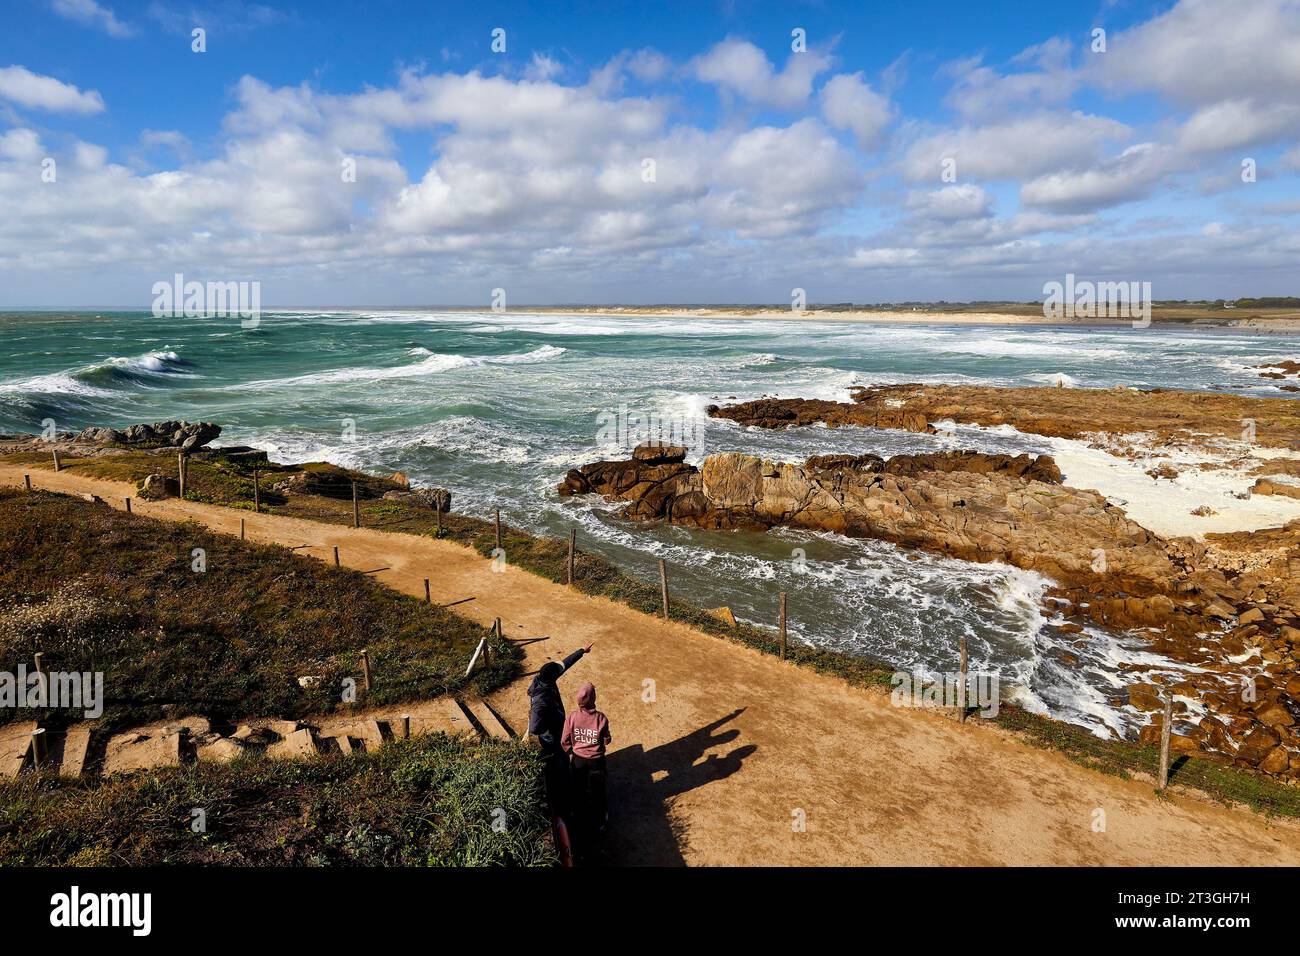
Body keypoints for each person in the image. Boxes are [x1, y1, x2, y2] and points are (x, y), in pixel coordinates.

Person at [526, 643, 592, 816]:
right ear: (552, 677)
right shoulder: (541, 700)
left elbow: (564, 664)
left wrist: (581, 652)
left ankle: (561, 780)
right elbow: (534, 726)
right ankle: (567, 794)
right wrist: (549, 727)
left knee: (558, 760)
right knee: (560, 762)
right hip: (552, 736)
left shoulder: (543, 678)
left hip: (557, 730)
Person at [561, 681, 611, 862]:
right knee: (598, 790)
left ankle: (578, 819)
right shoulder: (601, 718)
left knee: (579, 790)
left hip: (578, 761)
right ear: (593, 699)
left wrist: (572, 753)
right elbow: (606, 740)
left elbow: (564, 741)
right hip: (596, 761)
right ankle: (600, 820)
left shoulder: (571, 718)